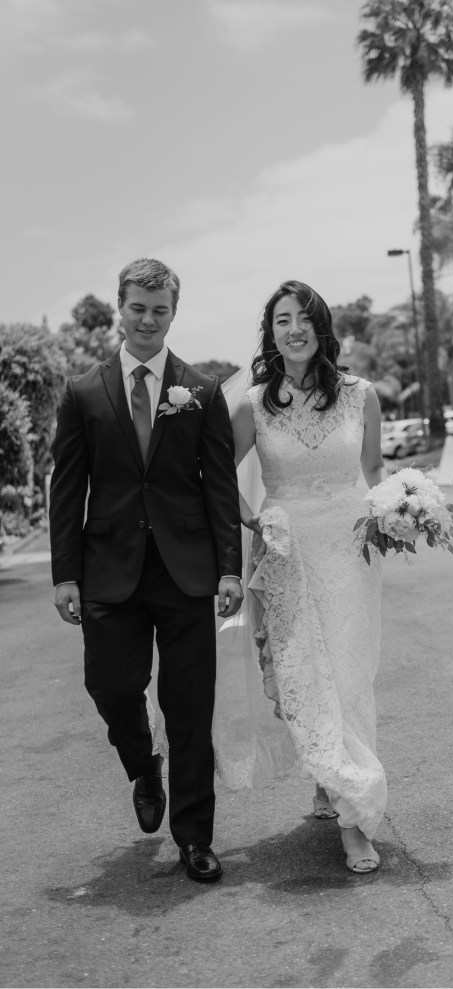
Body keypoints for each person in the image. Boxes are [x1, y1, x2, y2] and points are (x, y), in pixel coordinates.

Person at [50, 257, 243, 883]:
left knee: (189, 707)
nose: (148, 320)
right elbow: (67, 489)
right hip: (108, 571)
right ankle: (142, 764)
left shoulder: (202, 391)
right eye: (138, 307)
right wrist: (65, 574)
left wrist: (229, 569)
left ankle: (194, 838)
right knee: (109, 687)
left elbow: (218, 486)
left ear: (173, 314)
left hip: (186, 571)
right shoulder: (83, 393)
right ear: (120, 307)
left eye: (160, 311)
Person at [220, 279, 387, 873]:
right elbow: (214, 472)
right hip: (289, 559)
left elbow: (373, 470)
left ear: (321, 328)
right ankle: (350, 810)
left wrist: (395, 516)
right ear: (271, 332)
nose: (293, 329)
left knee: (348, 677)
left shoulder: (360, 395)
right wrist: (255, 522)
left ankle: (347, 802)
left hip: (350, 554)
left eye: (303, 318)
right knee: (305, 677)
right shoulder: (254, 404)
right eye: (281, 320)